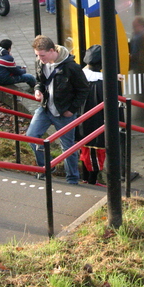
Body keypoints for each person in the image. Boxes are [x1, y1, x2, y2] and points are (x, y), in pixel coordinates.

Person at [26, 35, 89, 184]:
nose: (40, 58)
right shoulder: (41, 62)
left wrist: (72, 109)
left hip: (64, 112)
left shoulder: (72, 67)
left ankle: (72, 179)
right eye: (37, 55)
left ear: (52, 50)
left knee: (68, 148)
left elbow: (84, 89)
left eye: (42, 55)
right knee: (31, 136)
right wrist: (37, 89)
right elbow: (39, 80)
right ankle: (47, 166)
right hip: (46, 107)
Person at [77, 45, 106, 186]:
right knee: (96, 154)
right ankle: (92, 181)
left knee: (84, 152)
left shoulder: (80, 76)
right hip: (97, 123)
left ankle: (86, 178)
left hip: (79, 121)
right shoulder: (102, 82)